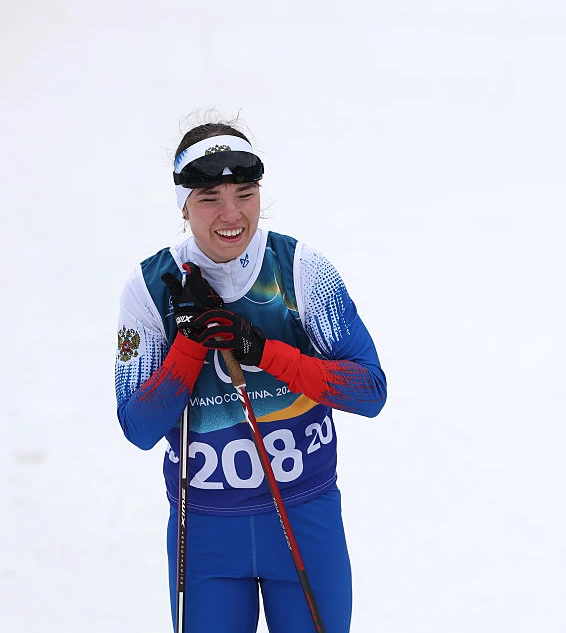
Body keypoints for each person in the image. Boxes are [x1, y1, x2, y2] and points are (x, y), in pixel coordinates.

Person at [114, 119, 387, 632]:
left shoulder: (300, 270)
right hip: (207, 533)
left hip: (305, 518)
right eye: (210, 197)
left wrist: (263, 350)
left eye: (245, 193)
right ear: (183, 205)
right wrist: (190, 345)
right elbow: (139, 427)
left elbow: (370, 391)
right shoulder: (151, 287)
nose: (231, 214)